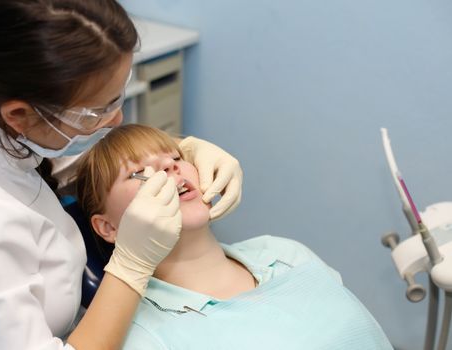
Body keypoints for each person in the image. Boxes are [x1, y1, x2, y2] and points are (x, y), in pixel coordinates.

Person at [0, 1, 243, 349]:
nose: (118, 119)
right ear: (19, 115)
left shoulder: (6, 119)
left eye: (117, 96)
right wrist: (130, 264)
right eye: (99, 110)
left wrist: (182, 144)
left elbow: (69, 154)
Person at [76, 124, 394, 350]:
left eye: (176, 158)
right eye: (138, 173)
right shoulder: (141, 335)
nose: (169, 169)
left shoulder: (284, 253)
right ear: (109, 228)